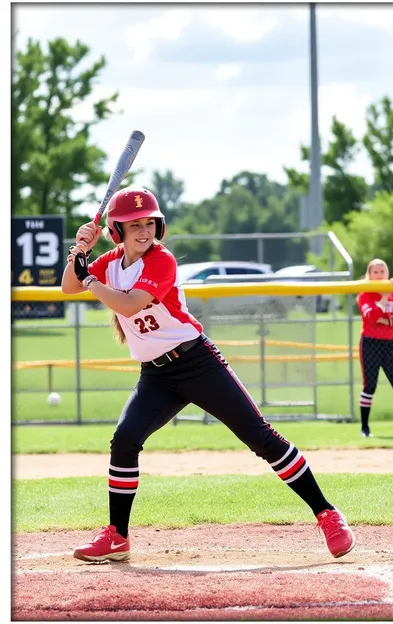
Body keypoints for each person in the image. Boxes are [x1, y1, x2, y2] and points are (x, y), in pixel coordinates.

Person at [61, 187, 356, 563]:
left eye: (149, 222)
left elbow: (130, 304)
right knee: (125, 439)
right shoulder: (110, 262)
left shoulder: (161, 261)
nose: (143, 230)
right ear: (116, 230)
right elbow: (67, 286)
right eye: (133, 224)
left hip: (197, 362)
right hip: (156, 375)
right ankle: (118, 536)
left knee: (262, 439)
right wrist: (81, 252)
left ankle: (327, 514)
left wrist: (90, 279)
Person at [357, 258, 393, 438]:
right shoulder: (364, 294)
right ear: (369, 275)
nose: (379, 275)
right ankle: (365, 427)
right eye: (375, 272)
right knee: (370, 386)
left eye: (382, 271)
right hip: (370, 343)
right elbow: (372, 316)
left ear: (388, 273)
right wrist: (385, 295)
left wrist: (388, 321)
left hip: (388, 344)